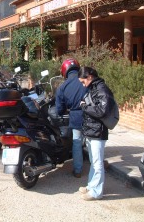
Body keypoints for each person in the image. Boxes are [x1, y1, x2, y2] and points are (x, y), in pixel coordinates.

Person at [78, 66, 114, 201]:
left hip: (98, 131)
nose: (83, 84)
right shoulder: (94, 88)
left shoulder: (101, 89)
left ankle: (97, 192)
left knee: (98, 163)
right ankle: (92, 186)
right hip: (92, 130)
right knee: (94, 162)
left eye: (83, 81)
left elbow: (102, 110)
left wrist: (84, 106)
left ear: (90, 77)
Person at [56, 58, 87, 178]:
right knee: (94, 142)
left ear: (64, 71)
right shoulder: (86, 80)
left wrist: (66, 110)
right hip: (92, 116)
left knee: (77, 142)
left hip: (76, 117)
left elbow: (59, 109)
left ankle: (78, 170)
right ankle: (97, 167)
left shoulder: (63, 87)